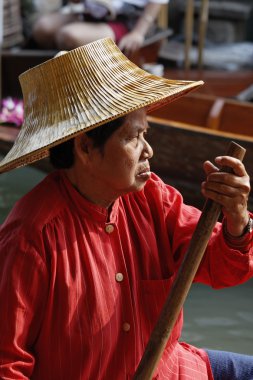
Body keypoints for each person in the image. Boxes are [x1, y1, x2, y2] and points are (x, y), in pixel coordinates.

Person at [0, 38, 252, 380]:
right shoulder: (31, 236)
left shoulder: (151, 195)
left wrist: (237, 218)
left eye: (145, 134)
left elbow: (223, 269)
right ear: (86, 147)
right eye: (134, 138)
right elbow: (7, 365)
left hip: (176, 370)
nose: (148, 150)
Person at [32, 0, 168, 56]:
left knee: (68, 36)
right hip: (92, 11)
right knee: (43, 28)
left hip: (128, 18)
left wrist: (138, 32)